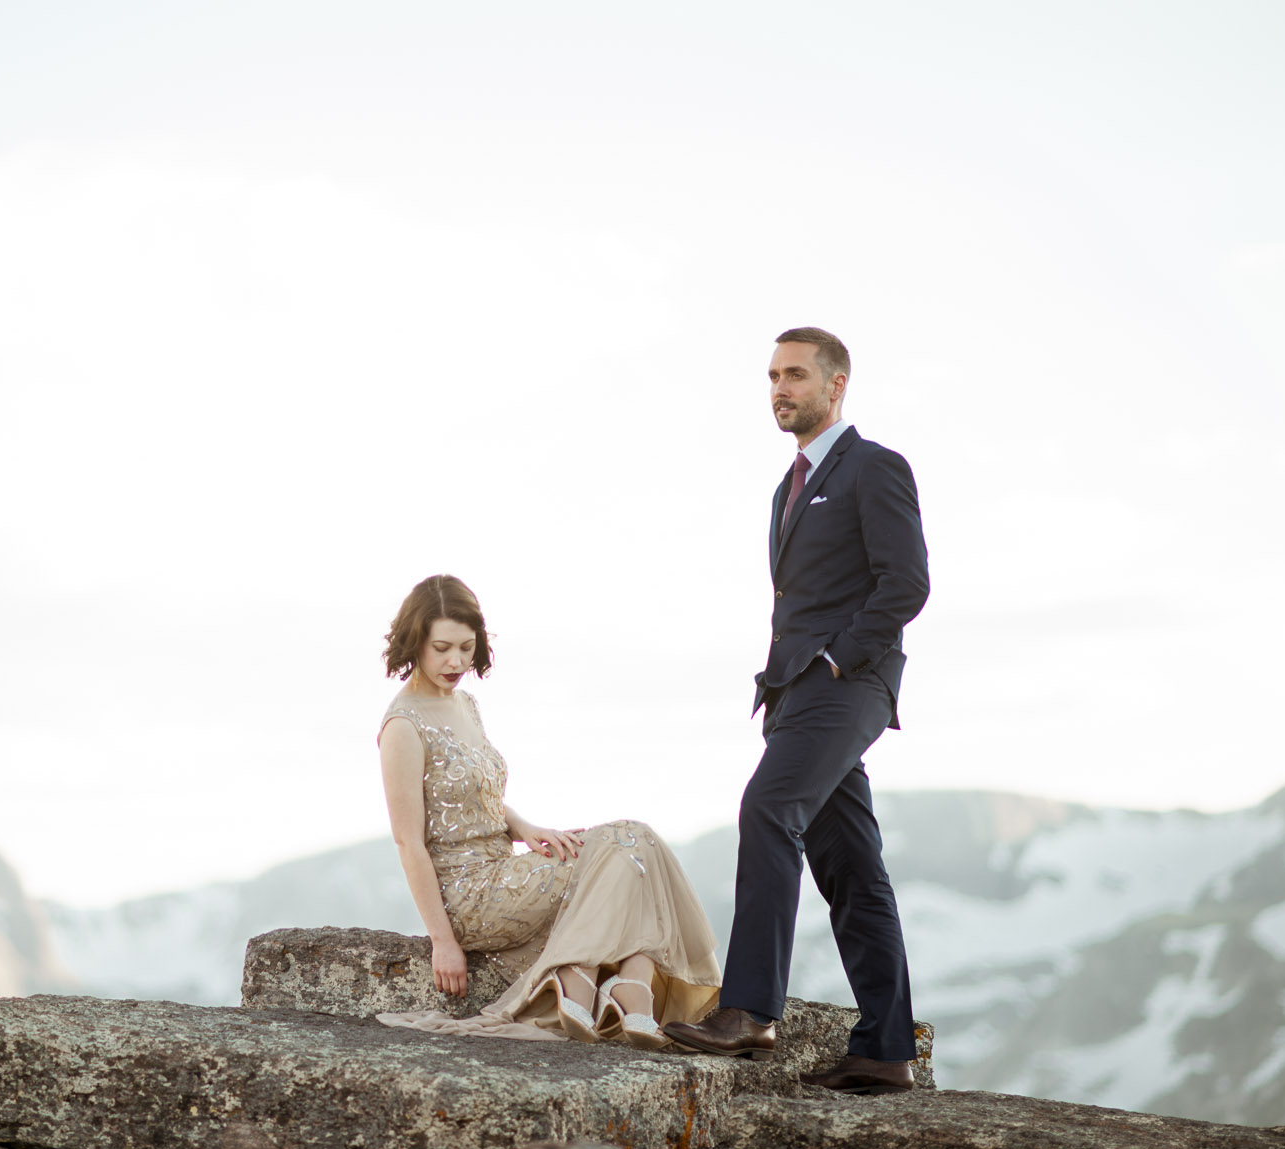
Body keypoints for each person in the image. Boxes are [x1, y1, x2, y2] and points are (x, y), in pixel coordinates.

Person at [663, 327, 929, 1094]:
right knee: (851, 867)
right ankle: (884, 1048)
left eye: (797, 375)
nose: (781, 388)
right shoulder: (787, 487)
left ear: (836, 385)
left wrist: (838, 658)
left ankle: (748, 1008)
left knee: (767, 807)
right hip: (795, 694)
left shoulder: (874, 467)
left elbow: (905, 582)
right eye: (773, 376)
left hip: (845, 685)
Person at [372, 574, 721, 1046]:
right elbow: (408, 841)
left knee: (639, 839)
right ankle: (594, 979)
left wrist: (525, 827)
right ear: (416, 642)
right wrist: (442, 941)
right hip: (466, 895)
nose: (456, 661)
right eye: (442, 648)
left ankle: (628, 985)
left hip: (503, 869)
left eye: (466, 647)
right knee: (621, 845)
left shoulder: (466, 705)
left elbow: (476, 795)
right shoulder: (402, 725)